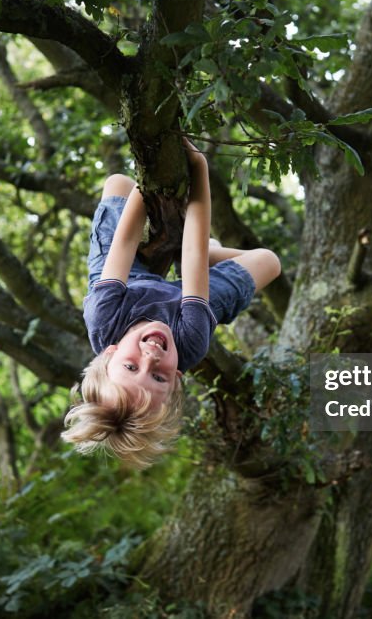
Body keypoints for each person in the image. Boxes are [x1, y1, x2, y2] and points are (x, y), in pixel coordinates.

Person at [62, 139, 281, 468]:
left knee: (118, 183)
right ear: (177, 377)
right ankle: (212, 253)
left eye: (132, 367)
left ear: (110, 353)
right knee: (269, 262)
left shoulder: (103, 318)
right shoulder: (190, 341)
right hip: (183, 301)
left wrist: (148, 178)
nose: (151, 358)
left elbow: (123, 241)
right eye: (159, 377)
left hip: (127, 279)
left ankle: (200, 250)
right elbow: (192, 256)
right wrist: (199, 168)